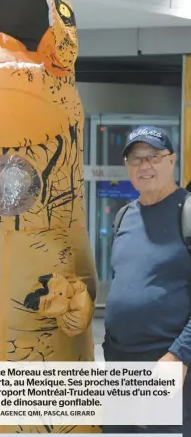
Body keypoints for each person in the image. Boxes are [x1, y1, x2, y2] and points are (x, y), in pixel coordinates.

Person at [103, 126, 191, 434]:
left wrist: (180, 355)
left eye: (153, 156)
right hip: (119, 365)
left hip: (167, 362)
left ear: (172, 160)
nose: (144, 166)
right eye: (136, 159)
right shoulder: (124, 216)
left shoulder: (188, 212)